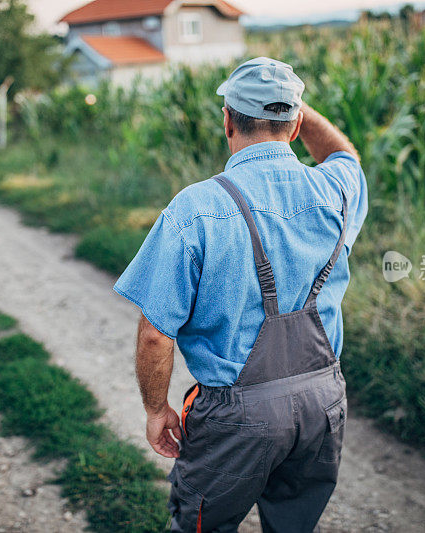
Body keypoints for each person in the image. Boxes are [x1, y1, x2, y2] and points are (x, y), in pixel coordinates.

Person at [113, 57, 368, 532]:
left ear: (227, 119)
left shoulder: (196, 208)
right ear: (294, 125)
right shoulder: (336, 191)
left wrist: (155, 410)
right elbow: (345, 155)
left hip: (236, 417)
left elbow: (154, 335)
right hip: (323, 401)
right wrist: (296, 111)